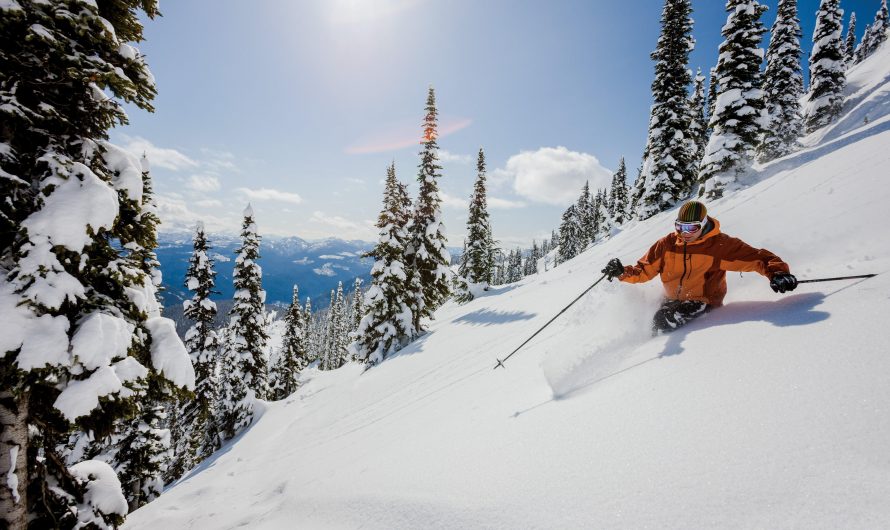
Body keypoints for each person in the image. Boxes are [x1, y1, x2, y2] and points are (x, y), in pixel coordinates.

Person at [601, 200, 798, 334]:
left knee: (662, 321)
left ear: (703, 224)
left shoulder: (719, 245)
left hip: (703, 301)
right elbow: (643, 271)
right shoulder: (666, 245)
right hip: (671, 299)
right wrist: (622, 272)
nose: (684, 233)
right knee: (646, 320)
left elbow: (758, 258)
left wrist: (778, 273)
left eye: (691, 228)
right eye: (679, 226)